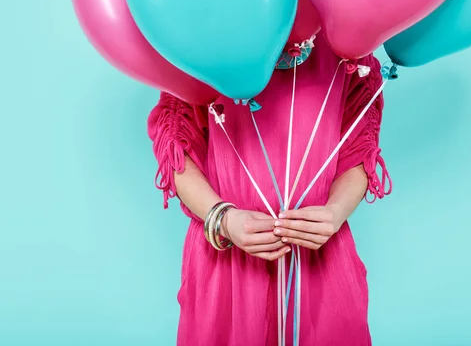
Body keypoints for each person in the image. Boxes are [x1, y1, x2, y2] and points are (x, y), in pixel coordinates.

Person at [148, 39, 391, 346]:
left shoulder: (348, 42)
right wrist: (222, 219)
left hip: (320, 256)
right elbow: (176, 147)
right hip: (228, 262)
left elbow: (359, 148)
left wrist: (335, 212)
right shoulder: (203, 37)